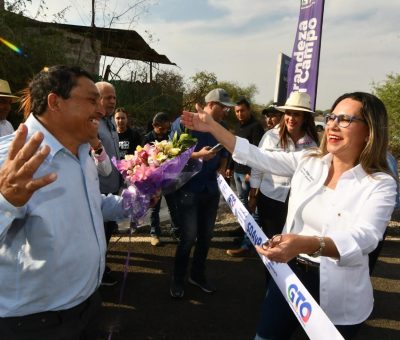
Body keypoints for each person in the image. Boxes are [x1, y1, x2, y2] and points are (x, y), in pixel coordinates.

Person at [181, 91, 397, 339]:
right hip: (289, 275)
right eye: (332, 117)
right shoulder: (310, 160)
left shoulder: (380, 183)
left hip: (340, 291)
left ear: (370, 130)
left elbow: (366, 237)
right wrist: (212, 127)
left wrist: (307, 243)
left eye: (345, 119)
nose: (333, 125)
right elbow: (257, 156)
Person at [0, 66, 130, 339]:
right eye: (91, 101)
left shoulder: (83, 151)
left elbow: (93, 204)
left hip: (89, 306)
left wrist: (133, 202)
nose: (100, 110)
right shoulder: (10, 157)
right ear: (55, 102)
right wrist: (5, 201)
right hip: (34, 324)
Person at [169, 88, 233, 298]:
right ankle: (177, 280)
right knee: (188, 238)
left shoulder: (221, 127)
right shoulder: (185, 122)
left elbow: (224, 152)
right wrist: (198, 155)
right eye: (224, 108)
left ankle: (197, 275)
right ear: (212, 104)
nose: (226, 112)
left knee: (206, 237)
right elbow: (171, 154)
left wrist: (222, 166)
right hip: (188, 189)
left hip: (211, 190)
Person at [246, 92, 319, 268]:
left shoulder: (312, 142)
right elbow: (257, 165)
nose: (291, 118)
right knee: (272, 245)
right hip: (270, 198)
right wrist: (253, 194)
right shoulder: (270, 136)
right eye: (288, 113)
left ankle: (288, 289)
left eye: (297, 114)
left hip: (298, 201)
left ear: (305, 117)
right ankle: (271, 287)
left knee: (292, 246)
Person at [225, 97, 264, 257]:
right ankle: (243, 233)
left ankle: (247, 244)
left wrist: (251, 172)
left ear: (249, 110)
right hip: (237, 173)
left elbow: (257, 153)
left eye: (242, 111)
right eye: (237, 111)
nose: (240, 114)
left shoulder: (256, 128)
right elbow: (234, 149)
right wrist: (229, 166)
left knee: (252, 209)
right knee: (242, 206)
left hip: (249, 175)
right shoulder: (238, 127)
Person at [95, 81, 122, 286]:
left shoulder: (111, 122)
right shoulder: (93, 123)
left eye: (114, 97)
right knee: (98, 235)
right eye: (108, 97)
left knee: (107, 232)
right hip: (98, 191)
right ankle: (98, 272)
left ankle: (101, 265)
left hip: (114, 187)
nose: (112, 101)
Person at [142, 112, 181, 246]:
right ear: (154, 125)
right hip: (154, 179)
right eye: (161, 129)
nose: (164, 131)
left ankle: (176, 231)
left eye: (167, 129)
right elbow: (143, 158)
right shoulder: (147, 138)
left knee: (173, 206)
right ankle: (154, 233)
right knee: (154, 208)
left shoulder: (170, 137)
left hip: (169, 178)